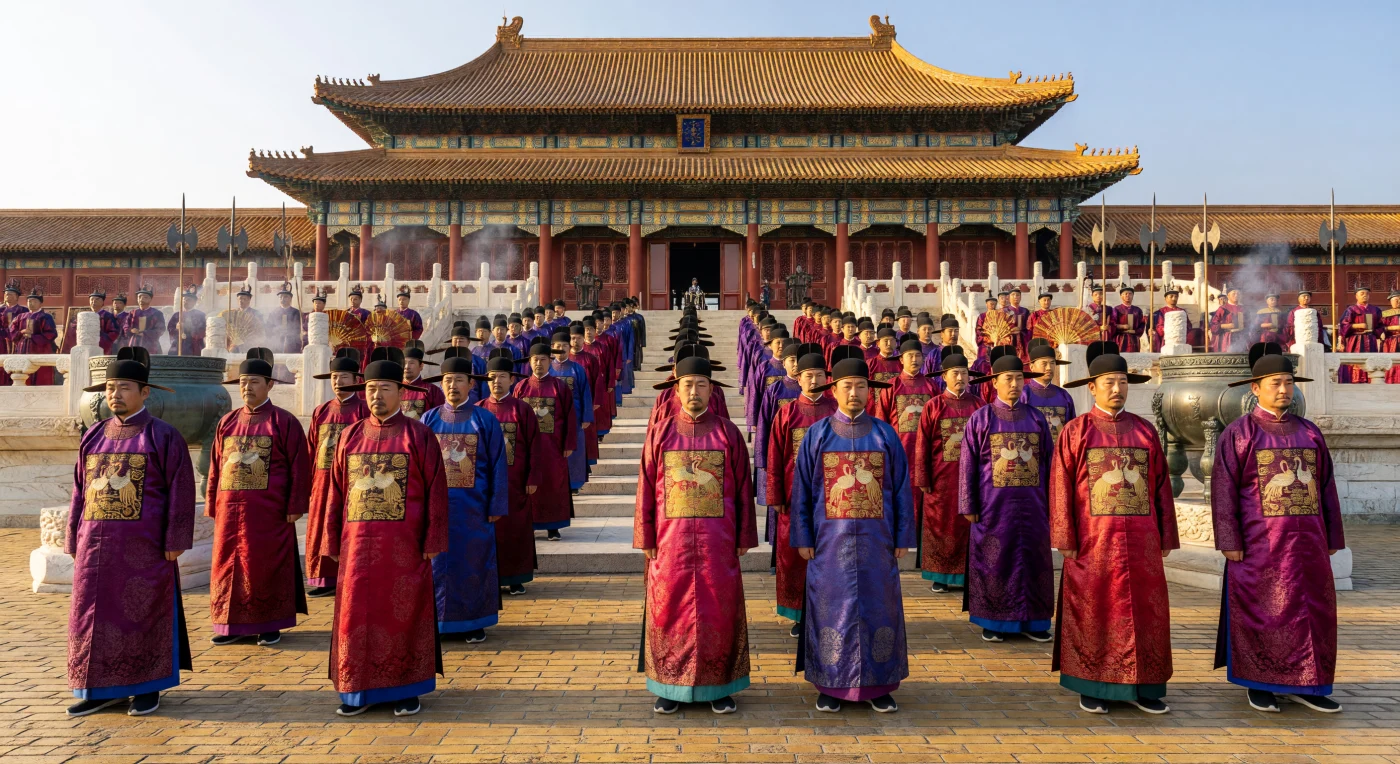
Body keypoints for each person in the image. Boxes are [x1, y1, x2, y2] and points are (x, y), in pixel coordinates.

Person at [1211, 342, 1344, 714]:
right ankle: (1260, 684)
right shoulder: (1239, 434)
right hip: (1259, 545)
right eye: (1275, 383)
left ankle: (1311, 684)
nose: (1284, 390)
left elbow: (1326, 486)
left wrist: (1333, 536)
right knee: (1263, 611)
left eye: (1288, 382)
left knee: (1313, 612)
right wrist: (1229, 541)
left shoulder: (1310, 433)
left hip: (1310, 546)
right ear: (1256, 388)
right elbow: (1223, 492)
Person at [66, 348, 195, 718]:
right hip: (94, 551)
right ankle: (96, 689)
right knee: (90, 617)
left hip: (145, 550)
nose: (114, 395)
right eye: (109, 387)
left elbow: (182, 490)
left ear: (144, 392)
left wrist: (175, 540)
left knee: (142, 615)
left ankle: (146, 688)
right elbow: (79, 489)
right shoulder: (93, 436)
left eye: (124, 387)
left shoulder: (163, 437)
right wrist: (73, 535)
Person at [1051, 345, 1179, 714]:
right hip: (1093, 543)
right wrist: (1065, 537)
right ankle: (1092, 683)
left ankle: (1147, 685)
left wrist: (1166, 535)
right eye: (1109, 382)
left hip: (1141, 544)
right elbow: (1060, 487)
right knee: (1094, 611)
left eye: (1122, 382)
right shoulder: (1076, 431)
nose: (1117, 389)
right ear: (1092, 387)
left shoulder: (1144, 431)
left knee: (1146, 613)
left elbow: (1160, 486)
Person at [322, 348, 449, 717]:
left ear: (401, 392)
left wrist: (432, 540)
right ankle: (355, 691)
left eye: (385, 389)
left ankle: (406, 688)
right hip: (357, 549)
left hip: (405, 548)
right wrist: (330, 540)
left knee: (404, 615)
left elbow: (437, 492)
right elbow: (334, 493)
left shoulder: (419, 435)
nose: (377, 396)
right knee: (353, 617)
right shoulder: (349, 437)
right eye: (372, 389)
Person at [791, 357, 915, 713]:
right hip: (829, 544)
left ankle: (880, 684)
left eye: (861, 386)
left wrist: (902, 535)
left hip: (878, 543)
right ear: (834, 390)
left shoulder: (885, 433)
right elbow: (802, 491)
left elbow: (901, 489)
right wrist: (803, 537)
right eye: (847, 386)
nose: (855, 392)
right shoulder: (817, 435)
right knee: (831, 609)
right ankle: (829, 684)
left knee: (879, 608)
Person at [635, 355, 755, 713]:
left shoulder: (728, 432)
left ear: (711, 389)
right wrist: (646, 536)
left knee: (719, 609)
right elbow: (645, 487)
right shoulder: (660, 431)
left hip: (717, 543)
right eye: (687, 384)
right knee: (668, 610)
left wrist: (743, 536)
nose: (694, 391)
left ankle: (720, 687)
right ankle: (668, 687)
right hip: (670, 544)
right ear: (676, 388)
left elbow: (743, 490)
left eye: (701, 384)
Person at [206, 348, 310, 646]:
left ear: (269, 385)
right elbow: (216, 464)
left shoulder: (283, 421)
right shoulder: (227, 422)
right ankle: (230, 625)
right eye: (242, 382)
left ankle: (269, 623)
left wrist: (295, 505)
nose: (246, 387)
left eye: (253, 382)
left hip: (269, 512)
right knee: (227, 565)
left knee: (263, 564)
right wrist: (212, 501)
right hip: (229, 512)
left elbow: (299, 467)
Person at [958, 350, 1055, 643]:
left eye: (1018, 379)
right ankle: (994, 621)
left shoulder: (1036, 419)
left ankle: (1035, 622)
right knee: (994, 560)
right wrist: (968, 503)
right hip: (992, 508)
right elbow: (967, 464)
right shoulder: (981, 418)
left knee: (1033, 561)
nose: (1014, 384)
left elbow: (1049, 463)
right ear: (994, 383)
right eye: (1007, 379)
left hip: (1034, 507)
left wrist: (1054, 504)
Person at [421, 348, 508, 643]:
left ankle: (473, 621)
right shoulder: (428, 420)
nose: (452, 386)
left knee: (472, 563)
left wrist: (496, 503)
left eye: (459, 380)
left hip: (473, 510)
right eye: (447, 380)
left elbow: (498, 464)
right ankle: (436, 622)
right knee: (434, 566)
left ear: (471, 384)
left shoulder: (484, 420)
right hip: (435, 511)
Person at [765, 347, 836, 635]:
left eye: (819, 375)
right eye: (808, 375)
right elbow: (775, 456)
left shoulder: (835, 410)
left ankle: (828, 610)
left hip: (833, 498)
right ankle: (798, 612)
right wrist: (776, 496)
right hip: (795, 497)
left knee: (830, 555)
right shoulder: (787, 413)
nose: (814, 380)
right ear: (799, 377)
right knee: (794, 557)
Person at [913, 346, 984, 592]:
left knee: (969, 526)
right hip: (941, 479)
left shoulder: (979, 405)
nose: (960, 378)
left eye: (964, 372)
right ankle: (940, 576)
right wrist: (923, 477)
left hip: (972, 479)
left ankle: (968, 575)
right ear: (944, 376)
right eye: (955, 373)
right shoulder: (933, 406)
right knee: (940, 526)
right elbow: (922, 445)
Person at [304, 347, 367, 598]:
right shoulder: (321, 411)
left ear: (356, 380)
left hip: (352, 480)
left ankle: (348, 575)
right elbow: (311, 448)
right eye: (334, 377)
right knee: (321, 527)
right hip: (322, 479)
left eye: (343, 377)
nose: (338, 382)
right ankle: (322, 578)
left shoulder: (363, 410)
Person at [477, 350, 542, 596]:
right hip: (484, 485)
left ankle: (517, 577)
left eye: (502, 377)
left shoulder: (522, 410)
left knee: (516, 530)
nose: (497, 382)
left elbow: (535, 446)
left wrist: (533, 477)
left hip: (515, 483)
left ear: (511, 380)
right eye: (492, 377)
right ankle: (489, 578)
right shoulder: (479, 410)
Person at [514, 341, 576, 540]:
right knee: (527, 484)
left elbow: (569, 416)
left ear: (550, 361)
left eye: (543, 359)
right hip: (525, 448)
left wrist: (568, 443)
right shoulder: (521, 387)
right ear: (529, 362)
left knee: (552, 484)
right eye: (535, 360)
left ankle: (553, 526)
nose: (539, 363)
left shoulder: (560, 387)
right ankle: (527, 524)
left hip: (553, 446)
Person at [549, 331, 593, 493]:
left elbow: (585, 393)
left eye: (565, 346)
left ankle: (574, 483)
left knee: (574, 450)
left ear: (569, 348)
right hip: (551, 418)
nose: (561, 349)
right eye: (558, 346)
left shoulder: (577, 369)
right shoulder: (547, 369)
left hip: (574, 416)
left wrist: (586, 416)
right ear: (552, 348)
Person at [1020, 339, 1076, 444]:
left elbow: (1072, 431)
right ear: (1032, 367)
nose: (1049, 368)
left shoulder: (1064, 396)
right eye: (1044, 364)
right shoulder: (1023, 394)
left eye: (1052, 363)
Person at [12, 288, 59, 384]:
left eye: (34, 301)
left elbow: (51, 334)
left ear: (40, 303)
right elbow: (11, 331)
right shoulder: (21, 317)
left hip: (40, 349)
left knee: (40, 375)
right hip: (23, 349)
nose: (31, 303)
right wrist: (21, 333)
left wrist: (33, 336)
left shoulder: (45, 317)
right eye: (29, 301)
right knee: (23, 374)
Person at [1338, 287, 1384, 383]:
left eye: (1367, 293)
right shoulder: (1351, 309)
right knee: (1356, 361)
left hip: (1371, 339)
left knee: (1371, 360)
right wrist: (1357, 325)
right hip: (1356, 340)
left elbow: (1380, 325)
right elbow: (1343, 325)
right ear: (1356, 296)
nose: (1365, 295)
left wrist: (1378, 332)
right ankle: (1355, 379)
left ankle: (1371, 379)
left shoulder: (1375, 310)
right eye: (1362, 293)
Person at [398, 340, 445, 419]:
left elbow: (439, 418)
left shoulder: (431, 391)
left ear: (421, 366)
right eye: (404, 363)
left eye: (411, 363)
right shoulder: (395, 389)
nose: (407, 367)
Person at [123, 286, 165, 352]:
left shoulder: (157, 313)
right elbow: (126, 326)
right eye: (139, 297)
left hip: (151, 344)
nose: (141, 299)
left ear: (150, 299)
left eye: (145, 297)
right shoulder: (133, 313)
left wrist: (144, 333)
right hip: (134, 343)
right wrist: (131, 330)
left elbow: (161, 329)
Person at [165, 288, 205, 356]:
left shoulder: (200, 315)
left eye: (189, 300)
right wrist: (176, 328)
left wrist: (190, 328)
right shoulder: (177, 315)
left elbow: (203, 330)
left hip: (194, 344)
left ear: (194, 302)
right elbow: (170, 328)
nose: (186, 301)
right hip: (178, 343)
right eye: (184, 299)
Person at [1210, 285, 1249, 352]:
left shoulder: (1243, 308)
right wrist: (1226, 325)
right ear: (1228, 296)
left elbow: (1249, 323)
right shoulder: (1223, 309)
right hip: (1228, 338)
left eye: (1238, 293)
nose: (1236, 295)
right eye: (1234, 293)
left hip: (1242, 338)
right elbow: (1213, 326)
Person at [1150, 287, 1190, 352]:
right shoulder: (1161, 312)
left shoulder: (1182, 311)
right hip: (1167, 338)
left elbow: (1188, 325)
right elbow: (1159, 326)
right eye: (1171, 296)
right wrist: (1169, 330)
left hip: (1180, 338)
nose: (1174, 298)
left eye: (1176, 297)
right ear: (1166, 298)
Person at [266, 284, 302, 354]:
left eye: (285, 297)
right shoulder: (273, 313)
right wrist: (276, 331)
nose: (283, 299)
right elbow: (268, 328)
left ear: (290, 299)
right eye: (281, 297)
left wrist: (287, 335)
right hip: (276, 343)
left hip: (292, 344)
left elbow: (296, 329)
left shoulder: (295, 312)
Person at [1111, 285, 1145, 352]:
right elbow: (1112, 323)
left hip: (1134, 338)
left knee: (1134, 358)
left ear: (1133, 296)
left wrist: (1136, 331)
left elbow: (1142, 324)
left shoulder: (1137, 310)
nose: (1127, 296)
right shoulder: (1117, 309)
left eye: (1130, 294)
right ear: (1121, 296)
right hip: (1120, 338)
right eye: (1125, 294)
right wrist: (1122, 326)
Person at [88, 289, 121, 354]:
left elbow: (114, 332)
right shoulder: (87, 316)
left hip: (103, 346)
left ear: (102, 302)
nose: (93, 302)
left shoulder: (107, 316)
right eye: (91, 299)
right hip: (88, 346)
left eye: (97, 299)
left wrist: (101, 338)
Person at [1005, 289, 1031, 361]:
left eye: (1018, 295)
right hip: (1009, 339)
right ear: (1008, 297)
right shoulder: (1004, 311)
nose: (1015, 297)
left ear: (1020, 297)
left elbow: (1029, 326)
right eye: (1013, 295)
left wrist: (1023, 333)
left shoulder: (1025, 311)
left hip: (1023, 339)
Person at [1384, 292, 1400, 384]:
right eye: (1396, 300)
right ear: (1390, 301)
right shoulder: (1386, 314)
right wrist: (1395, 328)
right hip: (1392, 340)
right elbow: (1382, 328)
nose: (1399, 302)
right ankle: (1391, 379)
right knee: (1392, 361)